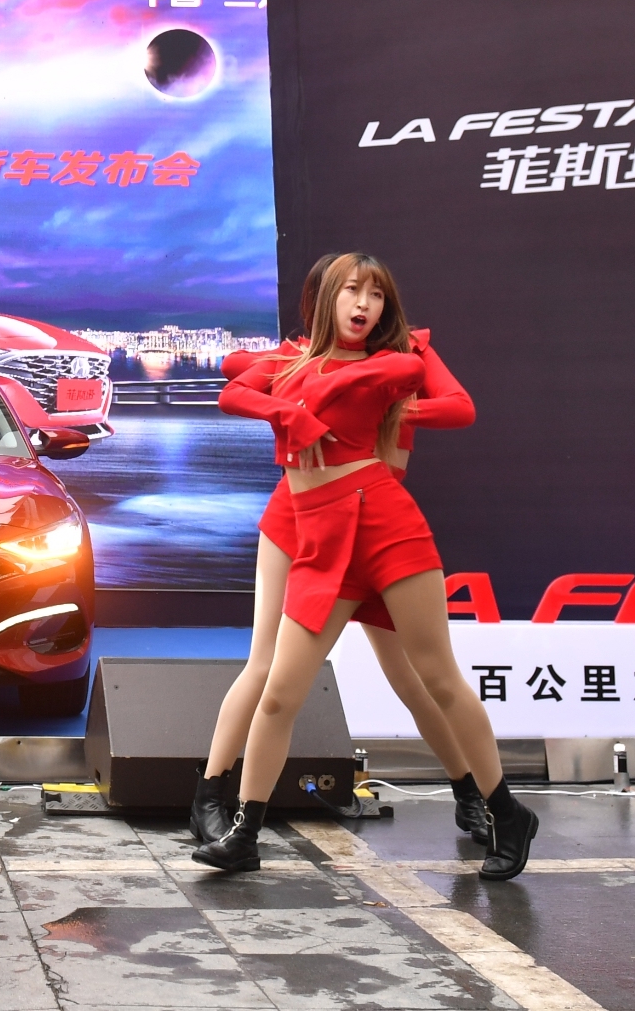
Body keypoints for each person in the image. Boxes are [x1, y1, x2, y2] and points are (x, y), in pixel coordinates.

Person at [191, 253, 536, 881]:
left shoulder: (390, 363)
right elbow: (233, 383)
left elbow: (428, 384)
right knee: (277, 690)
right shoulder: (289, 361)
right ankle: (240, 828)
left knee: (434, 678)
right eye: (351, 291)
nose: (363, 304)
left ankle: (503, 809)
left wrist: (367, 398)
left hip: (382, 524)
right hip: (315, 535)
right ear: (325, 297)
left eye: (375, 295)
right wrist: (290, 410)